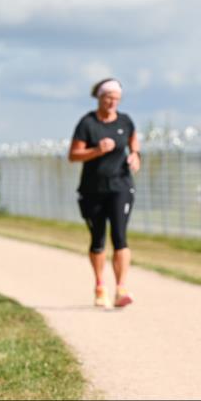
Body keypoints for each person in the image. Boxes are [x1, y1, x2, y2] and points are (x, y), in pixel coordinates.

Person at [68, 78, 141, 308]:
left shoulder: (125, 121)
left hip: (121, 186)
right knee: (98, 239)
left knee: (120, 237)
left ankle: (121, 288)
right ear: (99, 97)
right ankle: (100, 286)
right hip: (93, 189)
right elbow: (73, 155)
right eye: (109, 97)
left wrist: (136, 155)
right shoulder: (87, 123)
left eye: (117, 99)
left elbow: (133, 142)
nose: (112, 102)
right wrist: (96, 150)